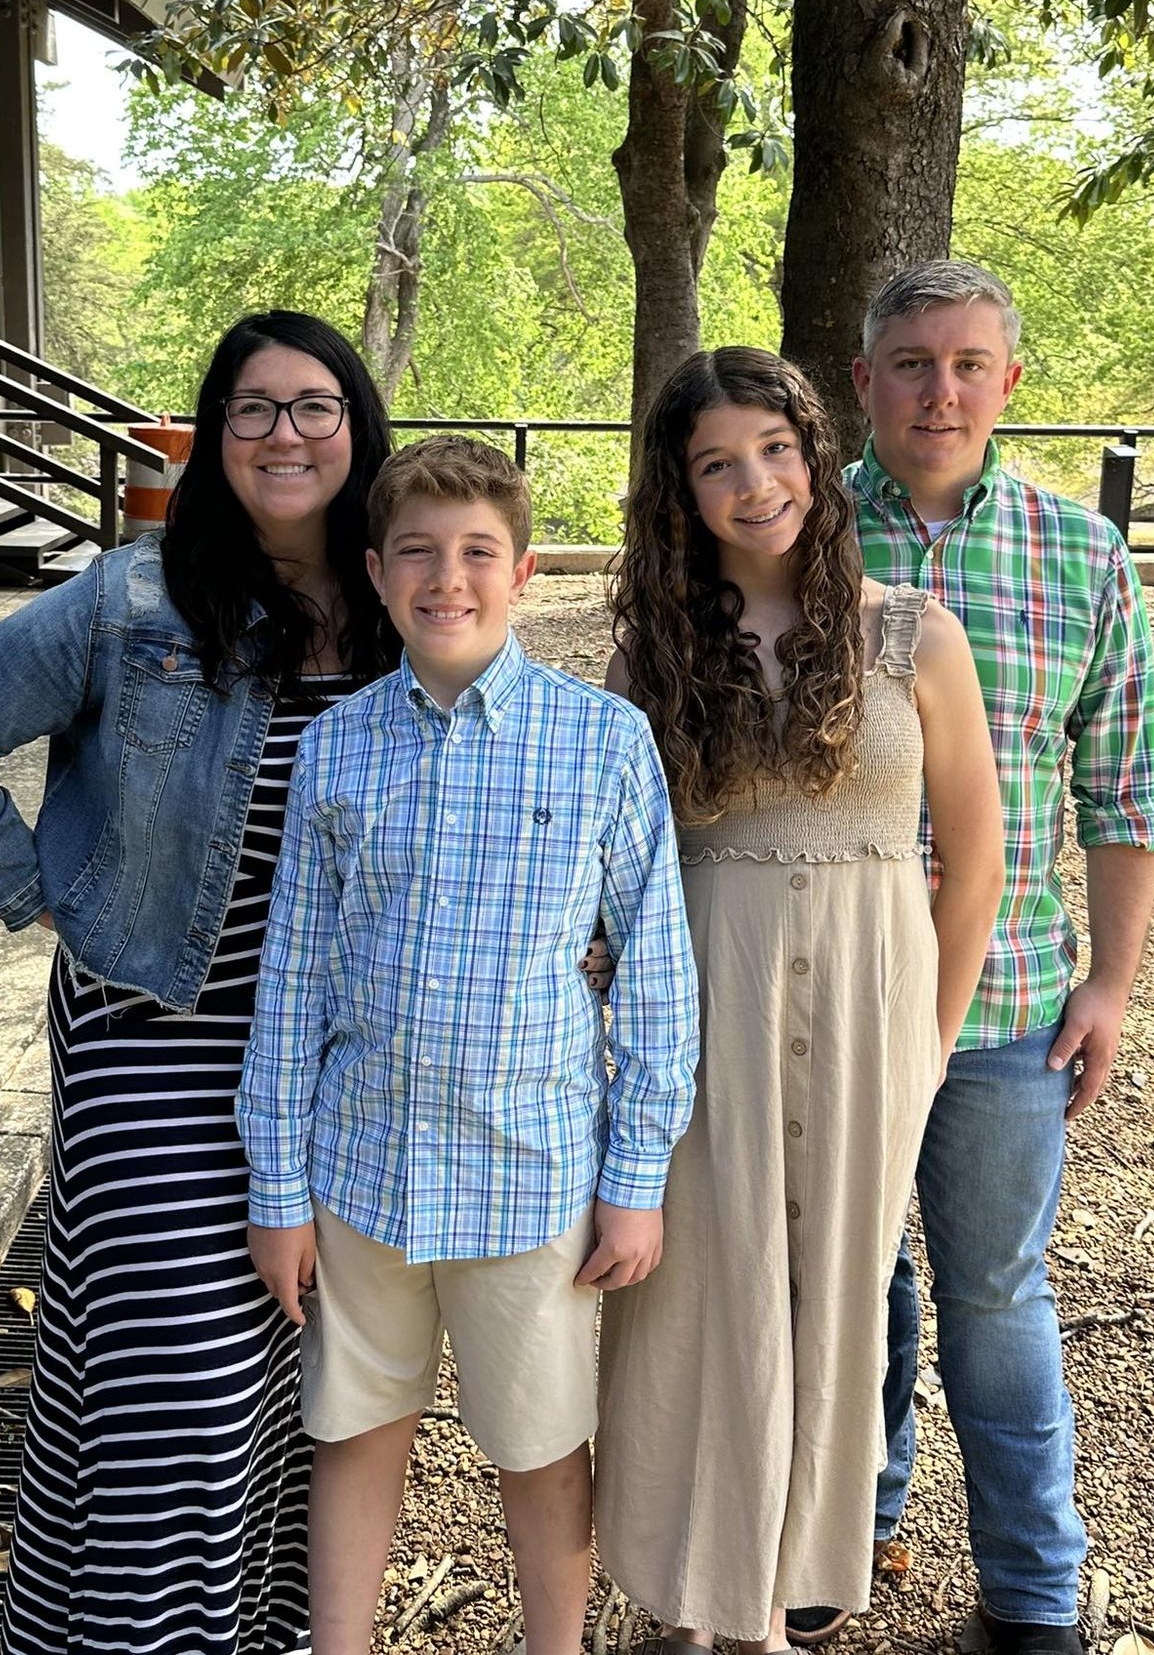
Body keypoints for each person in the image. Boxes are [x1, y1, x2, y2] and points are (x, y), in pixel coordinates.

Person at [0, 311, 401, 1655]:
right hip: (151, 1036)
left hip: (332, 1064)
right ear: (216, 435)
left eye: (315, 405)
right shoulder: (131, 600)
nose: (284, 433)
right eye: (252, 408)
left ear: (357, 427)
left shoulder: (402, 604)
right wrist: (50, 894)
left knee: (291, 1390)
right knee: (188, 1391)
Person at [236, 435, 700, 1655]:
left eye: (478, 552)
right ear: (376, 573)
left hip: (528, 1173)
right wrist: (276, 1187)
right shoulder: (337, 745)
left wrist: (635, 1177)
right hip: (361, 1169)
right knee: (354, 1429)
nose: (448, 578)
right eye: (418, 553)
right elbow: (292, 977)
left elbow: (656, 974)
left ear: (523, 571)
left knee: (540, 1447)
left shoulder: (601, 741)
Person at [594, 347, 1004, 1653]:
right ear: (681, 490)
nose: (754, 482)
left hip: (874, 1012)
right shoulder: (652, 658)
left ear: (816, 459)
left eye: (774, 449)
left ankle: (770, 1607)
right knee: (697, 1300)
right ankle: (688, 1596)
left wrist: (930, 1046)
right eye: (716, 462)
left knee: (830, 1302)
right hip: (704, 1004)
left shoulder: (913, 635)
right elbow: (610, 864)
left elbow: (977, 858)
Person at [791, 260, 1154, 1655]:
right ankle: (847, 1526)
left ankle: (1030, 1589)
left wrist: (1110, 982)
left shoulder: (1083, 556)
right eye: (910, 362)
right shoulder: (796, 529)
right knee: (847, 1280)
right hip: (826, 989)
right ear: (863, 379)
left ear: (1008, 382)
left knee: (994, 1294)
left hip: (1005, 1003)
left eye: (966, 365)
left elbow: (1122, 791)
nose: (938, 391)